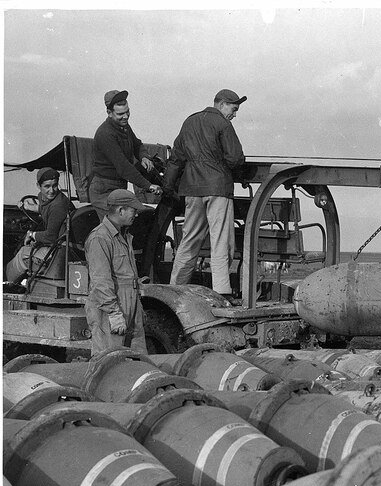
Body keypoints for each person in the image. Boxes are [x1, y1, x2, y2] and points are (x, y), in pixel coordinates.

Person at [163, 88, 246, 301]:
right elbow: (235, 158)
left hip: (191, 189)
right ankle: (222, 291)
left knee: (189, 240)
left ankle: (174, 288)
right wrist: (236, 174)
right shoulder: (223, 124)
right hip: (218, 189)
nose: (234, 115)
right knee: (221, 241)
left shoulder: (189, 122)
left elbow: (176, 159)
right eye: (234, 109)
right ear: (222, 104)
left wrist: (168, 187)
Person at [84, 189, 148, 356]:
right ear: (121, 210)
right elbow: (101, 281)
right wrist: (113, 312)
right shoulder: (100, 238)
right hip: (111, 305)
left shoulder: (124, 236)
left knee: (138, 360)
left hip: (129, 301)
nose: (136, 215)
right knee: (108, 361)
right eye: (133, 210)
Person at [90, 89, 162, 220]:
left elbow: (137, 144)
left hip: (119, 187)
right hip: (104, 190)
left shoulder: (124, 126)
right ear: (109, 113)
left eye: (127, 111)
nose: (126, 116)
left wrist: (144, 156)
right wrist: (148, 185)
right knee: (115, 227)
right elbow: (123, 167)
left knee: (135, 220)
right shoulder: (105, 134)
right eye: (120, 114)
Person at [5, 167, 74, 285]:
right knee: (31, 246)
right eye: (47, 186)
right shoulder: (52, 199)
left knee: (22, 254)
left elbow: (50, 237)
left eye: (55, 185)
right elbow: (44, 208)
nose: (51, 190)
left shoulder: (58, 205)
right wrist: (27, 206)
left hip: (60, 251)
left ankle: (7, 286)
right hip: (59, 246)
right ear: (38, 186)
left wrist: (32, 234)